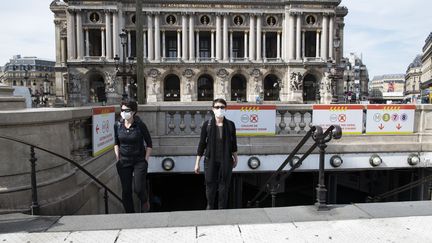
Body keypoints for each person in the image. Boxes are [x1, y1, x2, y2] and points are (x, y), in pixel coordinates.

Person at [194, 98, 238, 209]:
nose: (220, 109)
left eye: (222, 107)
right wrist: (197, 162)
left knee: (224, 186)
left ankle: (222, 208)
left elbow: (233, 144)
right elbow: (202, 144)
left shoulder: (230, 125)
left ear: (225, 109)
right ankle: (210, 206)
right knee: (210, 185)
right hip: (210, 160)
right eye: (217, 107)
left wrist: (236, 157)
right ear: (213, 109)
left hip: (226, 160)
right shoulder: (207, 125)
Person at [114, 100, 152, 213]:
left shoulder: (140, 125)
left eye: (127, 110)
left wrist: (145, 160)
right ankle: (130, 214)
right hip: (124, 161)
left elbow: (149, 144)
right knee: (126, 191)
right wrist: (118, 159)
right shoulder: (117, 125)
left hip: (139, 160)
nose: (124, 112)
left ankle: (145, 200)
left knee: (138, 188)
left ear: (134, 111)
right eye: (122, 110)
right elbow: (116, 143)